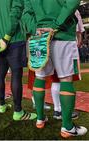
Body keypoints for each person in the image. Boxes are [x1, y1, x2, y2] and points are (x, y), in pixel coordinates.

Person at [24, 0, 87, 138]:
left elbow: (26, 12)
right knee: (66, 79)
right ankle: (67, 127)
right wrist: (55, 24)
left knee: (39, 77)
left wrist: (36, 28)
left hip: (39, 36)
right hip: (62, 33)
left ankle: (40, 119)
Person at [0, 0, 37, 120]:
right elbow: (15, 14)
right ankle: (18, 112)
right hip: (14, 39)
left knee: (1, 74)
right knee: (16, 75)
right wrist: (7, 37)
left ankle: (2, 105)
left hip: (0, 41)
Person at [51, 10, 85, 120]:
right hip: (67, 41)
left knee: (55, 79)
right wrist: (79, 39)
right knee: (66, 79)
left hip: (48, 41)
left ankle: (57, 110)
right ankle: (66, 116)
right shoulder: (72, 8)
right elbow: (79, 29)